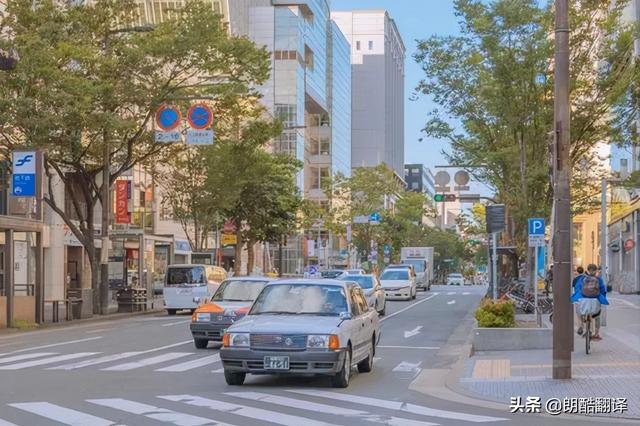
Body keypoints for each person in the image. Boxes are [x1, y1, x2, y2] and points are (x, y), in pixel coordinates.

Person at [571, 264, 609, 341]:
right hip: (595, 300)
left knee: (579, 311)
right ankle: (597, 333)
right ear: (596, 271)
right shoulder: (599, 279)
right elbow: (603, 290)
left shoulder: (582, 279)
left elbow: (578, 288)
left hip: (584, 299)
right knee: (597, 315)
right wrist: (602, 298)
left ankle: (581, 325)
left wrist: (578, 297)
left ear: (587, 270)